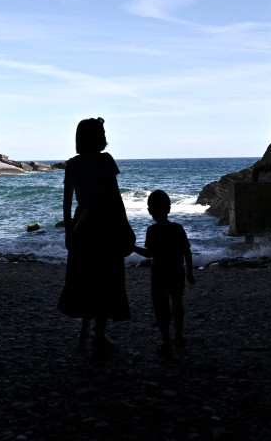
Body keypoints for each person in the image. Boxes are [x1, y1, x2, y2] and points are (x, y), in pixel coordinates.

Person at [57, 117, 134, 361]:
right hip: (104, 224)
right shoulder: (105, 161)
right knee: (105, 279)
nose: (105, 135)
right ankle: (99, 336)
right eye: (102, 131)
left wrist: (69, 231)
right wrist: (126, 228)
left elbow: (67, 202)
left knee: (84, 279)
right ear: (95, 137)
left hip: (82, 226)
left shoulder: (73, 164)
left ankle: (84, 331)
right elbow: (114, 198)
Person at [133, 189, 195, 358]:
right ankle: (179, 336)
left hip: (159, 273)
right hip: (177, 271)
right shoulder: (177, 228)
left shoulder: (152, 230)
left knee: (161, 308)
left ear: (149, 211)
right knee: (177, 303)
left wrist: (131, 247)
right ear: (169, 208)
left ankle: (166, 342)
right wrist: (189, 271)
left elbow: (148, 254)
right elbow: (187, 251)